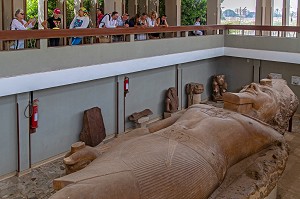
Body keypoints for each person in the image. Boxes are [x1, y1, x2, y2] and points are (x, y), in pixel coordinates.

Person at [50, 79, 297, 199]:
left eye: (266, 90)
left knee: (82, 195)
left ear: (277, 111)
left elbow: (272, 154)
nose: (254, 85)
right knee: (72, 187)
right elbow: (148, 130)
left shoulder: (261, 130)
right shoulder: (200, 108)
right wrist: (101, 152)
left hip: (188, 161)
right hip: (143, 147)